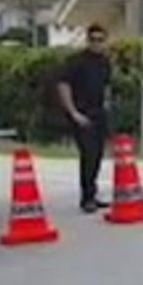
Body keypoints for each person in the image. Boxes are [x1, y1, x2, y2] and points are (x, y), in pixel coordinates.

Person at [56, 23, 113, 212]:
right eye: (93, 40)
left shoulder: (104, 62)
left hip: (99, 113)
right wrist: (73, 112)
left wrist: (107, 105)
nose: (97, 43)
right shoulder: (76, 61)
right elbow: (63, 85)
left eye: (100, 40)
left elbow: (106, 86)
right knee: (88, 154)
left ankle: (92, 194)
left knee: (97, 155)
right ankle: (86, 198)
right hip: (81, 113)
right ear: (87, 40)